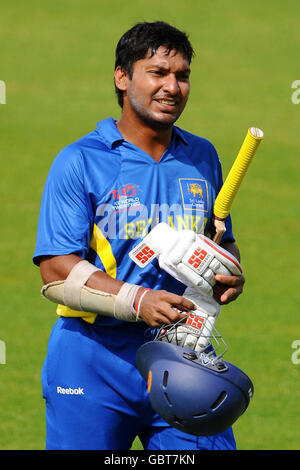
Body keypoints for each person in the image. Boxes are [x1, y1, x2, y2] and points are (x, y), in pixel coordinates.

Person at [33, 21, 245, 450]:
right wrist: (139, 300)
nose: (172, 86)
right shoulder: (79, 161)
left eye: (182, 76)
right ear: (122, 76)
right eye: (158, 72)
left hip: (183, 357)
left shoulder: (202, 156)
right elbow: (56, 271)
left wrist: (229, 270)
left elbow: (219, 239)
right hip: (93, 363)